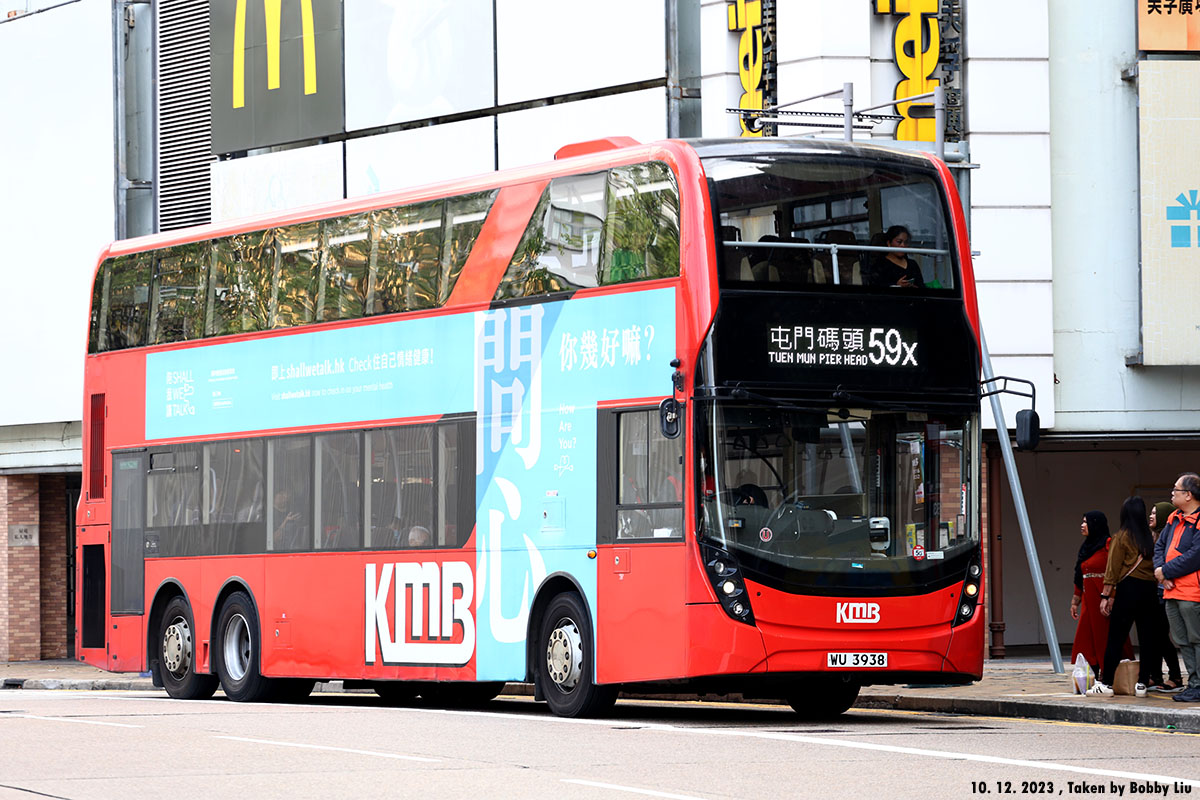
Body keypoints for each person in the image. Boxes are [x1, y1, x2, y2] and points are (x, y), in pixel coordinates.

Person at [1089, 497, 1160, 696]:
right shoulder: (1151, 537)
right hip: (1149, 590)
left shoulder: (1121, 537)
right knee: (1147, 639)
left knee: (1116, 638)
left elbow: (1113, 569)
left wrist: (1106, 595)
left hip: (1128, 590)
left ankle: (1106, 683)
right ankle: (1142, 683)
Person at [1154, 473, 1200, 703]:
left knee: (1197, 639)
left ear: (1188, 495)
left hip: (1192, 592)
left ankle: (1198, 685)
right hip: (1171, 590)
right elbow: (1159, 547)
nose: (1172, 493)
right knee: (1182, 641)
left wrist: (1166, 571)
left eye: (1176, 490)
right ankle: (1194, 684)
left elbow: (1195, 555)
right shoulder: (1174, 518)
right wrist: (1161, 573)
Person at [1148, 500, 1185, 692]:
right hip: (1155, 592)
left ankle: (1175, 676)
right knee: (1154, 635)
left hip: (1166, 591)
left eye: (1155, 513)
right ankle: (1155, 675)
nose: (1151, 516)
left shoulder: (1170, 537)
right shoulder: (1153, 537)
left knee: (1161, 636)